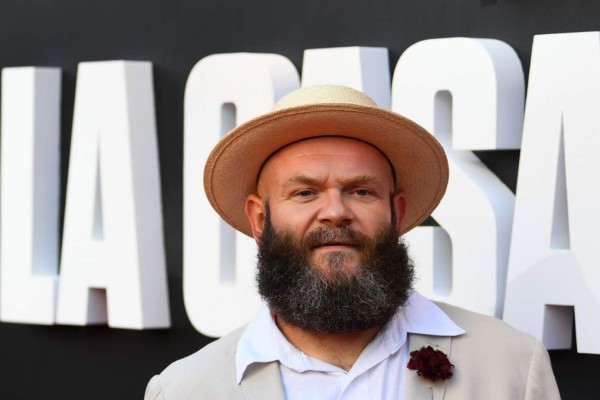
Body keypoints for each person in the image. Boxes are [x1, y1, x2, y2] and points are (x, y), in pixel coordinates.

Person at [145, 85, 560, 399]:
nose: (335, 211)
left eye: (361, 191)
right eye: (305, 193)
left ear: (396, 213)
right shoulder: (183, 390)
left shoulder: (513, 367)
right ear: (259, 219)